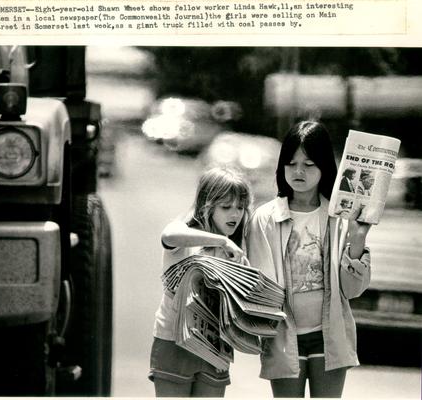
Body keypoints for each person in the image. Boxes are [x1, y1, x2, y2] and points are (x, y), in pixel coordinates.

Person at [246, 120, 371, 398]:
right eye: (291, 163)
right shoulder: (264, 219)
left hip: (330, 336)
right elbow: (257, 287)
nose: (298, 171)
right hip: (283, 336)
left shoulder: (340, 218)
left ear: (325, 166)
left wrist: (358, 239)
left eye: (309, 163)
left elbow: (352, 291)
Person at [149, 166, 252, 397]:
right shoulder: (186, 236)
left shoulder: (235, 253)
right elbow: (168, 235)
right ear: (207, 206)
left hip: (215, 346)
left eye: (240, 208)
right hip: (174, 342)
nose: (235, 215)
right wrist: (222, 242)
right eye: (226, 207)